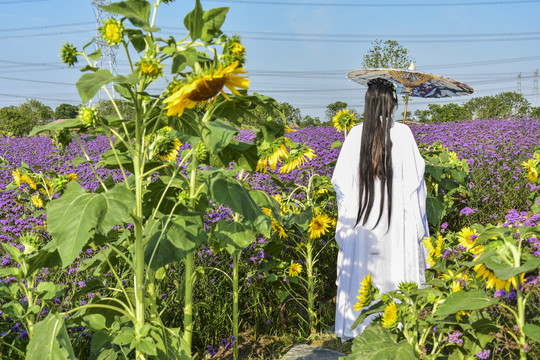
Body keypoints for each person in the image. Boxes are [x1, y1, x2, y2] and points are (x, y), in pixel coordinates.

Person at [331, 77, 429, 340]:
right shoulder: (404, 133)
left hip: (363, 221)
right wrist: (418, 225)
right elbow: (416, 185)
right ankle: (397, 327)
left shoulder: (354, 134)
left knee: (365, 273)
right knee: (396, 271)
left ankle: (358, 328)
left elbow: (340, 183)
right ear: (393, 103)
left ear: (367, 103)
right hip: (398, 222)